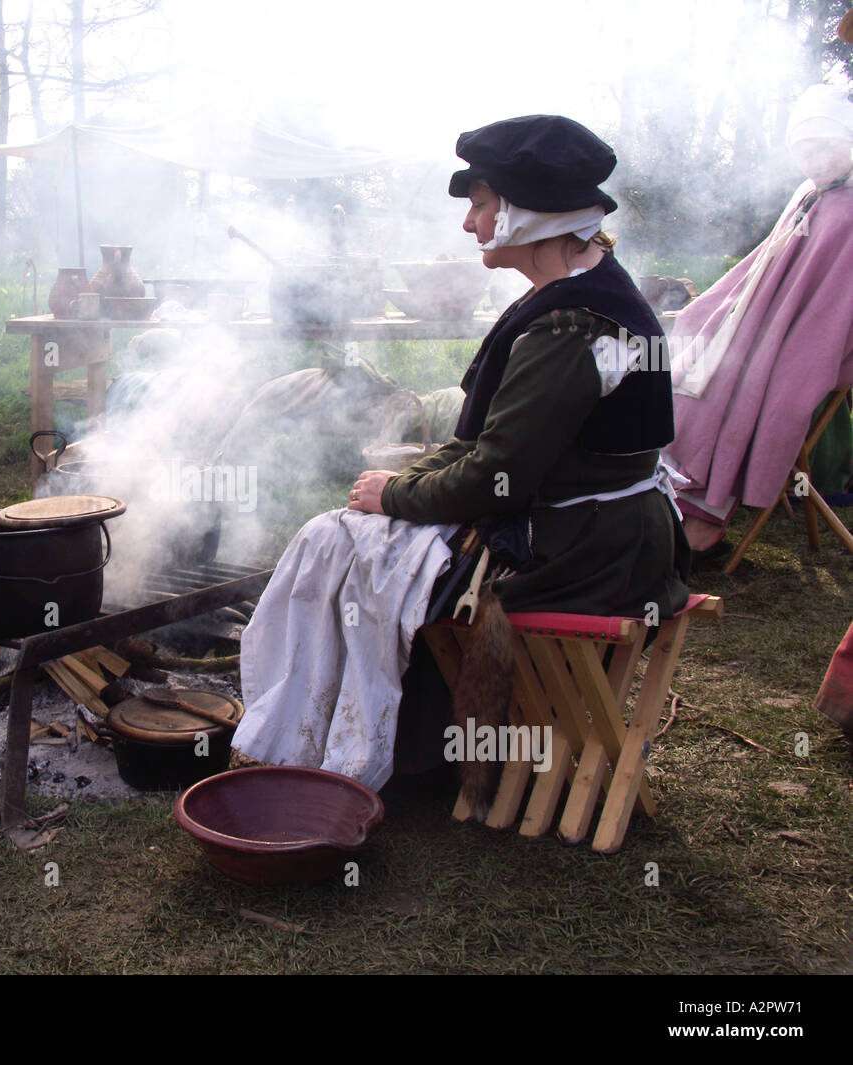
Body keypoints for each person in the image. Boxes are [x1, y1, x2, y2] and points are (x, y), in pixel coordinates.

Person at [232, 115, 690, 794]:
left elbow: (496, 479)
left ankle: (339, 746)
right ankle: (333, 736)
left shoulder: (575, 326)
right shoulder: (575, 296)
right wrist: (403, 478)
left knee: (336, 544)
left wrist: (392, 496)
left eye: (481, 204)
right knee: (341, 536)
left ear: (525, 212)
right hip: (595, 530)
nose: (471, 224)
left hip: (587, 553)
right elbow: (485, 446)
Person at [662, 84, 853, 554]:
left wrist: (782, 348)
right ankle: (668, 505)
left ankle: (702, 526)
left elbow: (835, 303)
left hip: (818, 339)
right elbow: (765, 268)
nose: (815, 159)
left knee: (745, 382)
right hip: (766, 322)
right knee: (690, 354)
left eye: (824, 146)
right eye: (803, 150)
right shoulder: (808, 193)